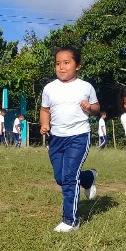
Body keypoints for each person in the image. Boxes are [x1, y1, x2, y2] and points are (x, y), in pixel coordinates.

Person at [40, 46, 100, 233]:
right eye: (58, 63)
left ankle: (70, 221)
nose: (62, 67)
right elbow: (45, 110)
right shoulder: (49, 88)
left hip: (79, 136)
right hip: (56, 138)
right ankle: (88, 177)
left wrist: (90, 108)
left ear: (78, 65)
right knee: (61, 178)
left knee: (69, 178)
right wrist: (44, 124)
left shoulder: (85, 87)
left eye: (67, 63)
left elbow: (97, 108)